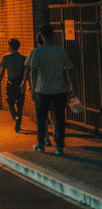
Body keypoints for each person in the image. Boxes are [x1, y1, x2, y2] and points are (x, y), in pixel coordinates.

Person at [23, 24, 75, 156]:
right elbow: (69, 70)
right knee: (60, 118)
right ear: (53, 35)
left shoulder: (38, 52)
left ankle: (41, 144)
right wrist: (73, 87)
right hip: (60, 90)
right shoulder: (61, 51)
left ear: (42, 36)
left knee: (41, 118)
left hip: (43, 90)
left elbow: (33, 71)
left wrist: (34, 90)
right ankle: (60, 147)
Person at [25, 31, 55, 145]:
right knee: (53, 111)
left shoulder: (35, 52)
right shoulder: (56, 51)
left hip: (40, 88)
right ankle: (56, 131)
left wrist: (30, 87)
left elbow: (30, 70)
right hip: (55, 87)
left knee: (42, 115)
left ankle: (46, 138)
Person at [0, 38, 26, 132]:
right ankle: (18, 124)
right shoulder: (23, 58)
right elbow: (26, 73)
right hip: (20, 84)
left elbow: (2, 71)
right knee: (20, 105)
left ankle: (15, 117)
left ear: (10, 46)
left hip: (10, 84)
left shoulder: (6, 57)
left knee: (10, 104)